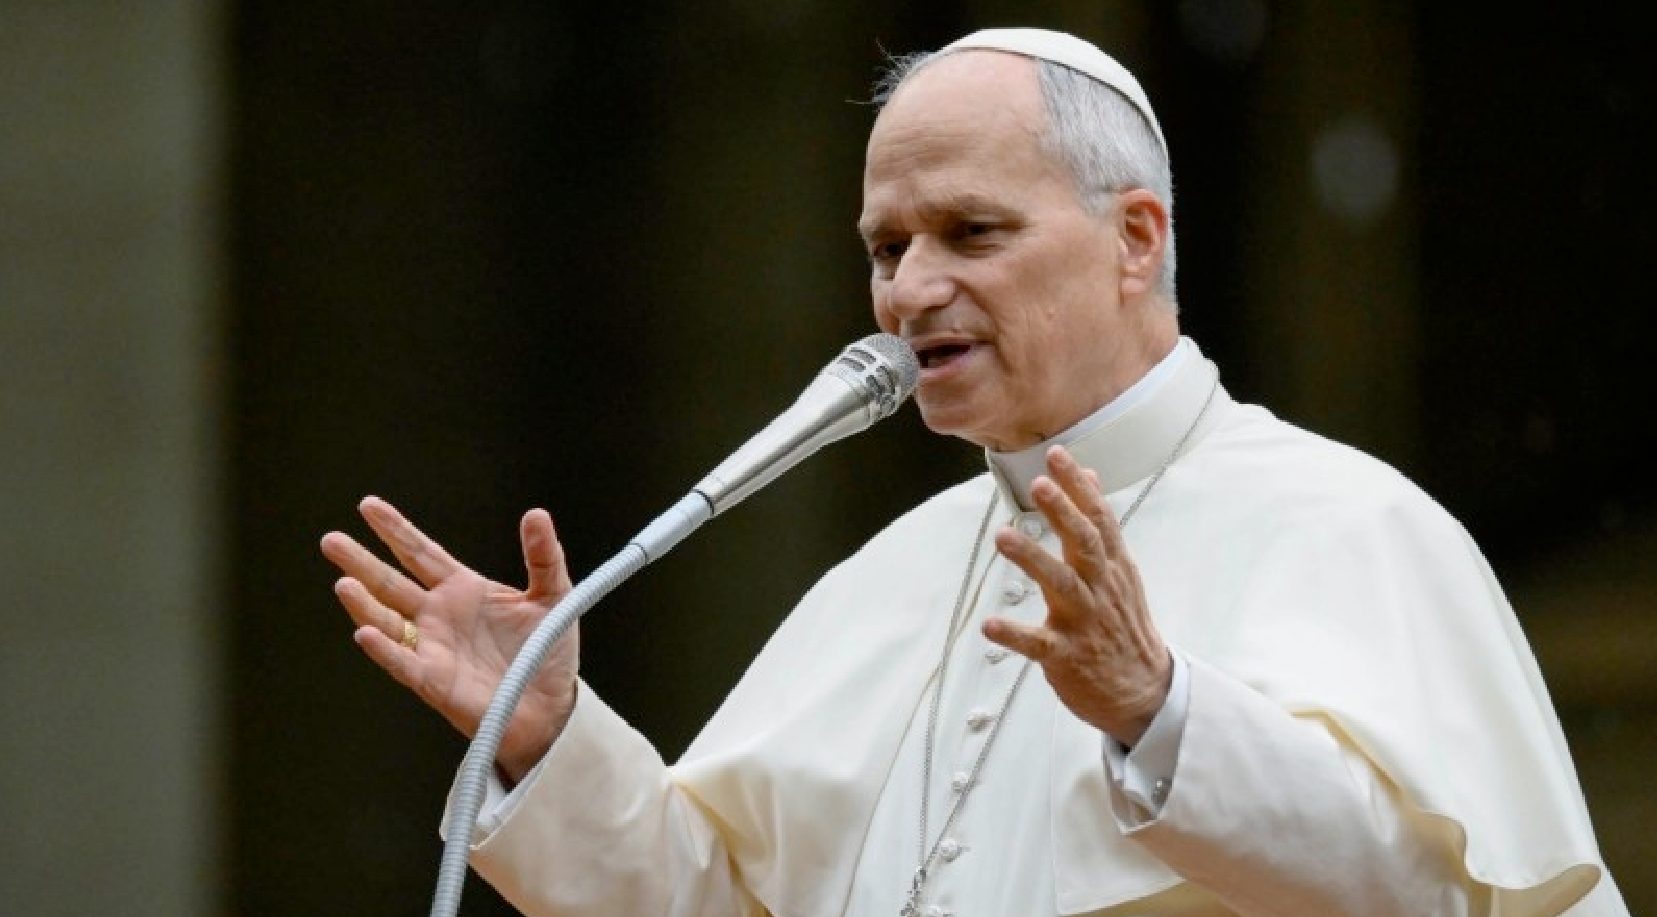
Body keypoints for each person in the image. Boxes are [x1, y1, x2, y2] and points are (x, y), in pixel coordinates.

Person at [320, 28, 1627, 916]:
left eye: (970, 231)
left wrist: (1161, 711)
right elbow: (718, 900)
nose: (910, 291)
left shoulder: (1350, 525)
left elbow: (1434, 894)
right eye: (886, 247)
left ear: (1135, 238)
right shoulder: (883, 578)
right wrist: (551, 741)